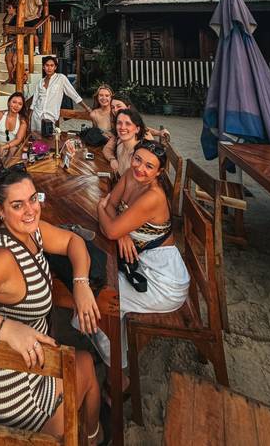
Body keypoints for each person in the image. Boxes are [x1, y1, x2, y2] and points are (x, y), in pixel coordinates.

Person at [0, 165, 103, 443]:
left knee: (80, 358)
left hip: (15, 363)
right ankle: (93, 436)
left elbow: (73, 240)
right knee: (85, 362)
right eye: (17, 205)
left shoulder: (31, 232)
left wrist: (81, 283)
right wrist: (10, 329)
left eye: (33, 199)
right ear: (0, 210)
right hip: (9, 391)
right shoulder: (0, 258)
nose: (30, 210)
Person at [95, 140, 190, 378]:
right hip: (142, 263)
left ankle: (119, 375)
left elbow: (108, 221)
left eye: (149, 166)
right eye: (138, 159)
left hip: (163, 281)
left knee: (98, 300)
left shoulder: (153, 196)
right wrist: (121, 230)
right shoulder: (130, 175)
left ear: (159, 172)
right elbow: (114, 208)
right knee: (98, 287)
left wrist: (103, 212)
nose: (140, 168)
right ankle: (115, 353)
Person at [30, 56, 91, 134]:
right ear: (43, 67)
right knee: (35, 141)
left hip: (50, 118)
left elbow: (74, 95)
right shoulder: (40, 82)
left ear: (55, 67)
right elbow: (34, 101)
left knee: (48, 141)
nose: (49, 68)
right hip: (36, 116)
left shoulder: (61, 79)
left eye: (52, 65)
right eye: (47, 65)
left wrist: (87, 108)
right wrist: (30, 116)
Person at [103, 108, 147, 178]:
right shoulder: (120, 142)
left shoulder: (139, 155)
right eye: (119, 123)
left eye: (128, 124)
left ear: (137, 129)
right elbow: (106, 149)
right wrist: (112, 159)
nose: (122, 127)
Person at [0, 92, 28, 161]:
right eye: (14, 102)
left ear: (22, 107)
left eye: (20, 104)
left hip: (13, 148)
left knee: (12, 155)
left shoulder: (22, 121)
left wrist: (5, 147)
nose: (16, 106)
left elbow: (18, 139)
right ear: (9, 102)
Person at [2, 1, 18, 84]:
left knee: (9, 59)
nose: (8, 9)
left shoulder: (16, 17)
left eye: (10, 8)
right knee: (9, 59)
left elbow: (16, 29)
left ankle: (11, 78)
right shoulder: (13, 17)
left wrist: (7, 32)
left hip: (13, 40)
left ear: (14, 9)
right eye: (7, 8)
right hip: (11, 39)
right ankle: (12, 78)